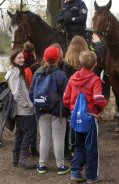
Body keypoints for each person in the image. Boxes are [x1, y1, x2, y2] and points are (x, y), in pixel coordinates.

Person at [63, 51, 107, 183]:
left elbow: (65, 98)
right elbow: (98, 99)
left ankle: (75, 172)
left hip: (75, 118)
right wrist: (102, 106)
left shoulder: (72, 78)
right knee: (91, 147)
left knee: (78, 146)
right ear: (95, 64)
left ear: (80, 63)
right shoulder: (95, 80)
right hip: (89, 117)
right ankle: (92, 176)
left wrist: (73, 109)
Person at [29, 46, 70, 175]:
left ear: (45, 58)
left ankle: (42, 165)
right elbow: (66, 95)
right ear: (58, 58)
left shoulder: (37, 72)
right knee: (58, 139)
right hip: (58, 112)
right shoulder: (61, 74)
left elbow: (31, 94)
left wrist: (40, 104)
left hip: (41, 111)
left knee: (44, 138)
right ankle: (60, 166)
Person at [4, 49, 36, 169]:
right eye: (19, 58)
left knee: (20, 134)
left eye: (22, 57)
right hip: (23, 110)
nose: (22, 59)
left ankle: (16, 158)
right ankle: (23, 158)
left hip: (19, 110)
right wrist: (28, 105)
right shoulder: (16, 72)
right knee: (29, 132)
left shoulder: (15, 71)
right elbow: (16, 93)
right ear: (13, 59)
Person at [62, 35, 89, 160]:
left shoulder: (66, 66)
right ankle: (83, 149)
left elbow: (65, 85)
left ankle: (70, 150)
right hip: (85, 102)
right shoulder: (87, 65)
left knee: (70, 126)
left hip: (72, 102)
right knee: (83, 126)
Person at [23, 41, 40, 157]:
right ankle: (32, 147)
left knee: (24, 123)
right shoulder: (36, 65)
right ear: (33, 51)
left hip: (22, 96)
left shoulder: (20, 62)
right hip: (33, 96)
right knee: (33, 123)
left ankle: (24, 146)